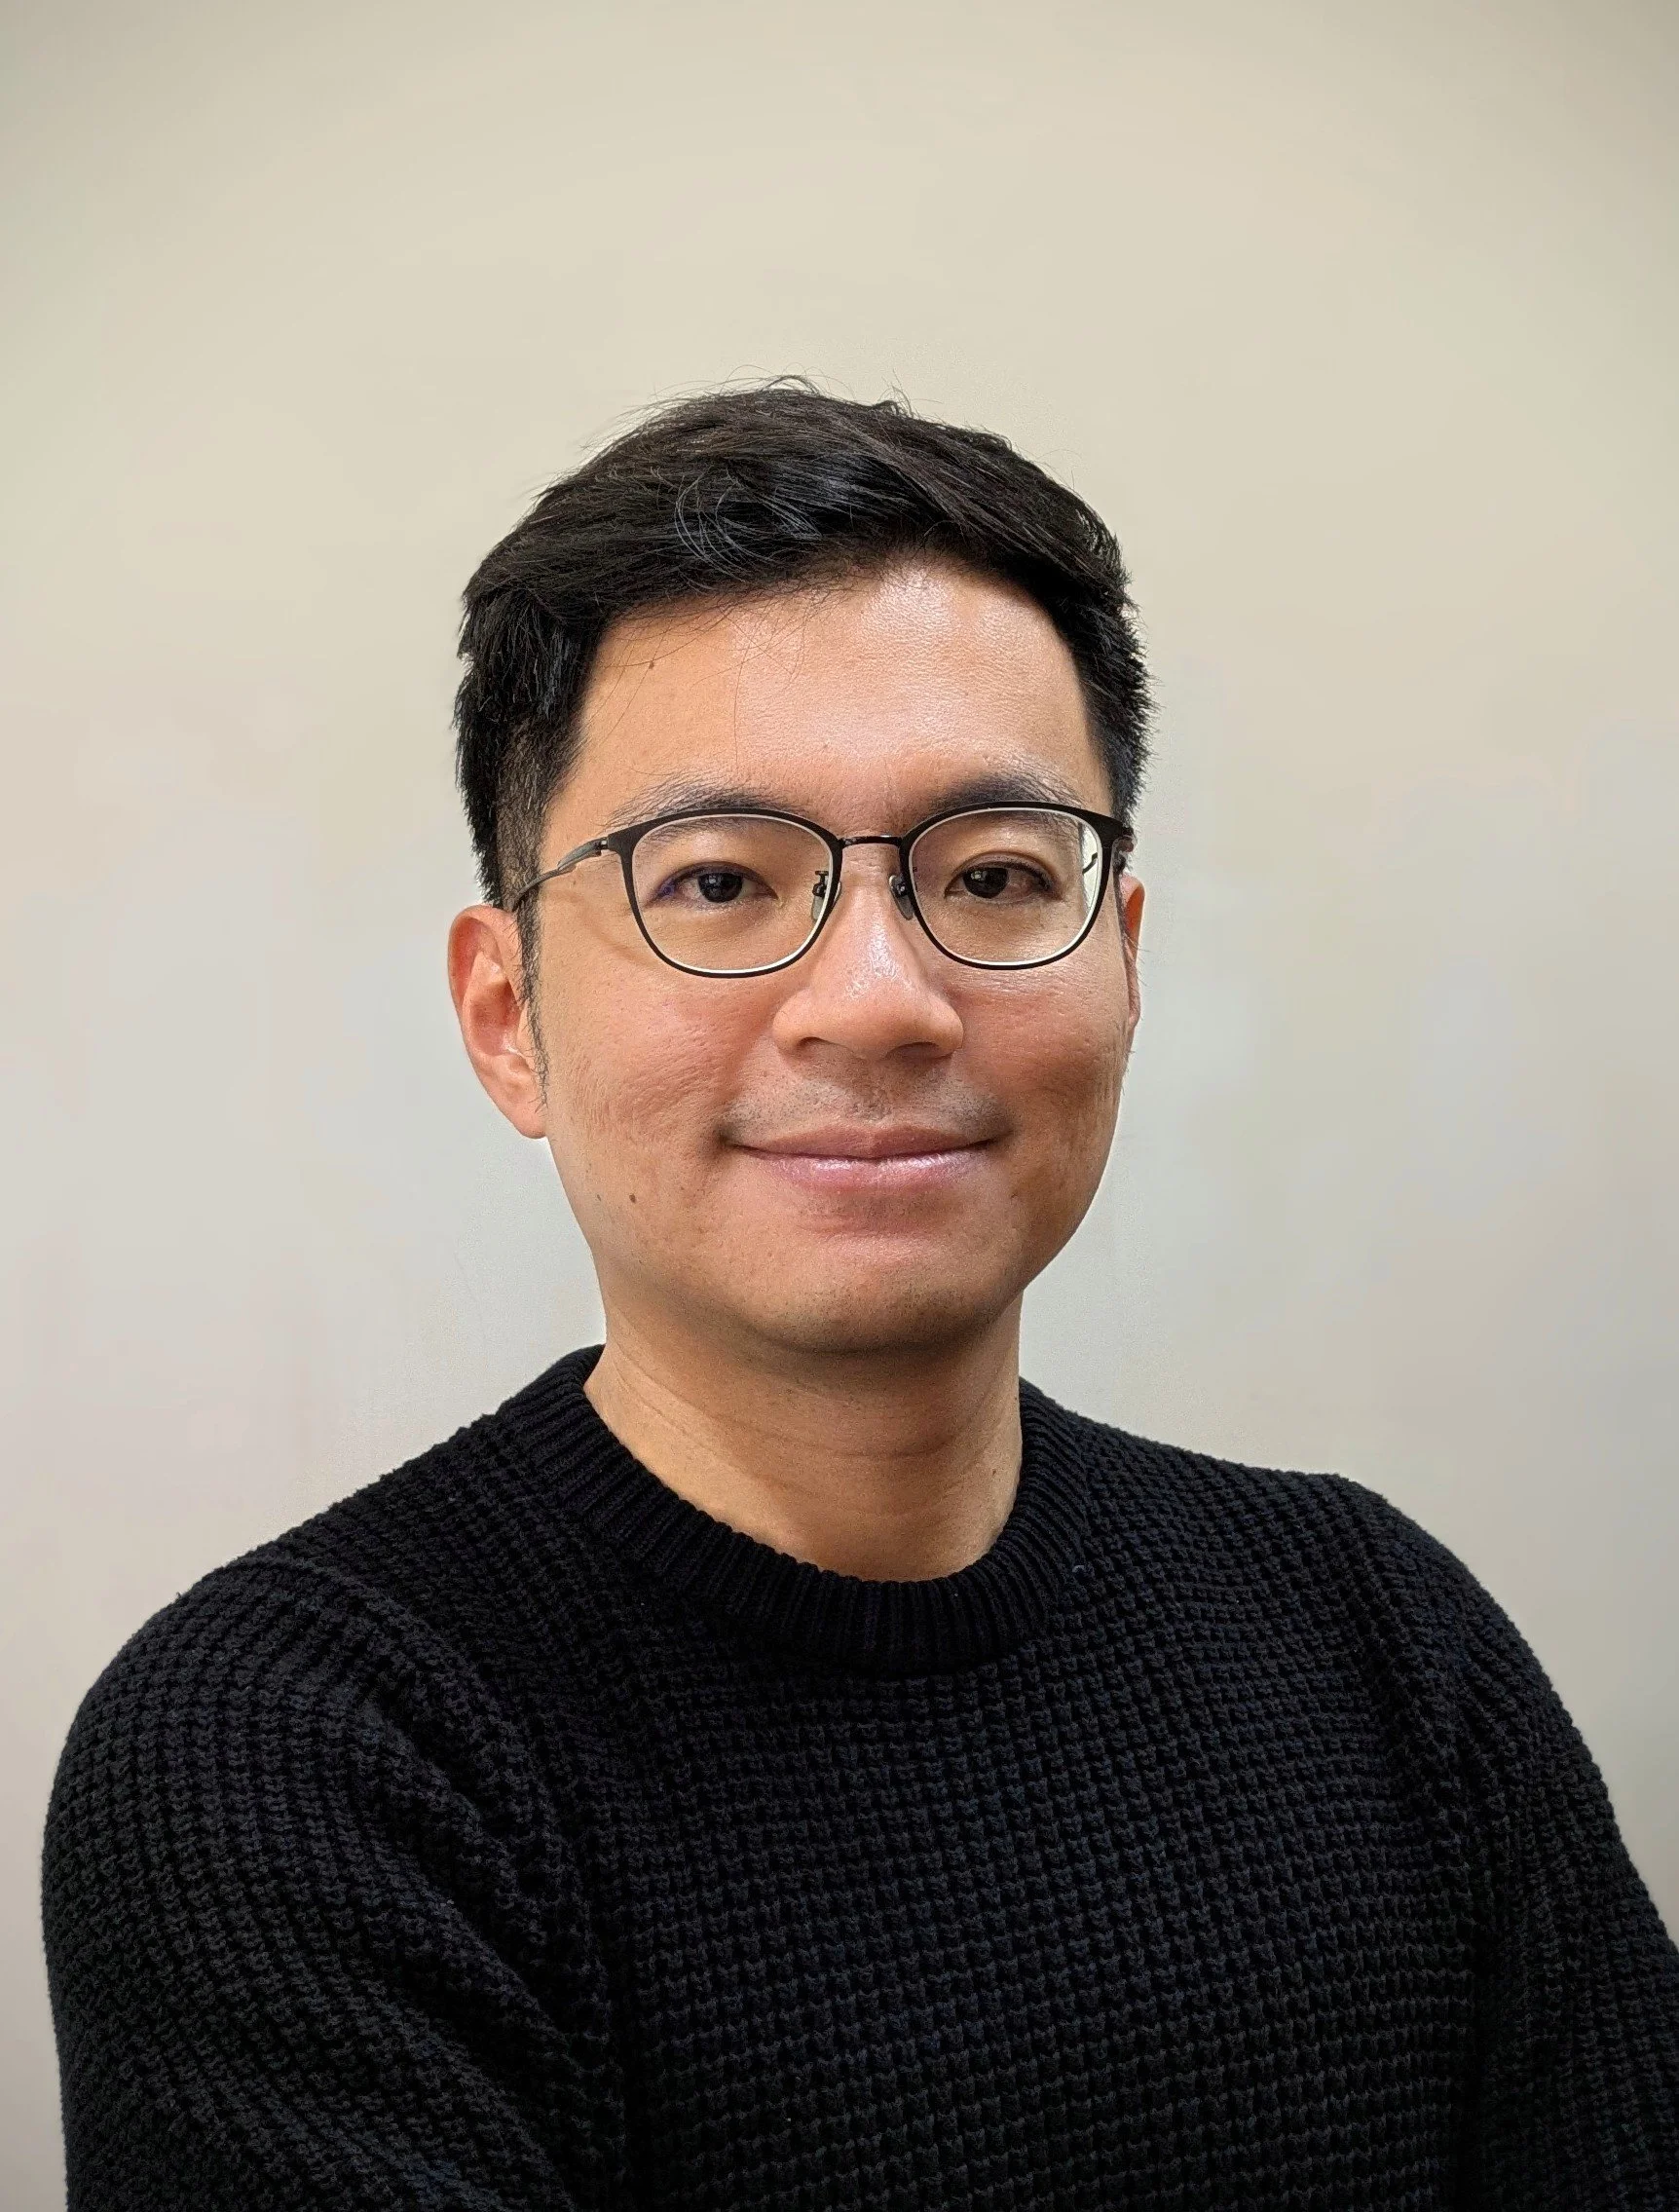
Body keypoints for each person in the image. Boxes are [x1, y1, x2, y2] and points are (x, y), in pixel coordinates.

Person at [42, 384, 1679, 2209]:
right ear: (509, 1016)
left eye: (992, 874)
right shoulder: (304, 1756)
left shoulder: (1381, 1642)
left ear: (1122, 961)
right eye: (723, 882)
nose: (881, 998)